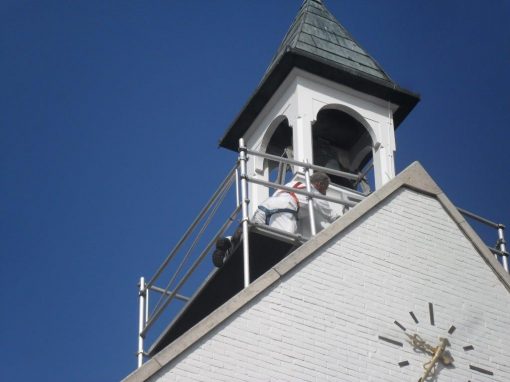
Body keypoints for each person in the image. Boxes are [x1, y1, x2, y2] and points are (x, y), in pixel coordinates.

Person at [212, 172, 339, 267]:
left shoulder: (292, 184)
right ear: (319, 184)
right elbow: (332, 215)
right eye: (325, 189)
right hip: (285, 210)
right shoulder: (313, 192)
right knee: (288, 241)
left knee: (254, 231)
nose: (324, 193)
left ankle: (229, 241)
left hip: (266, 206)